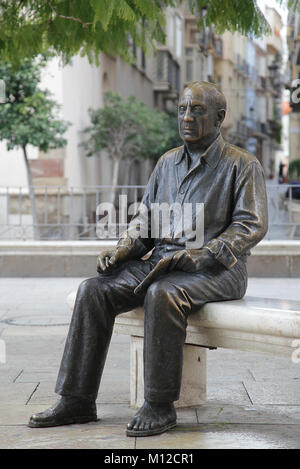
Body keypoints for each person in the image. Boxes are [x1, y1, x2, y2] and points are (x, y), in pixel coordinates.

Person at [28, 81, 268, 437]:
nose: (187, 117)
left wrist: (202, 254)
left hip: (219, 268)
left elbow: (251, 224)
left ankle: (158, 404)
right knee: (94, 290)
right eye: (182, 109)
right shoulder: (167, 163)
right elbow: (146, 221)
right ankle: (76, 399)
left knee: (163, 294)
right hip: (163, 261)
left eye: (197, 110)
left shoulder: (242, 166)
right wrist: (122, 249)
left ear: (219, 118)